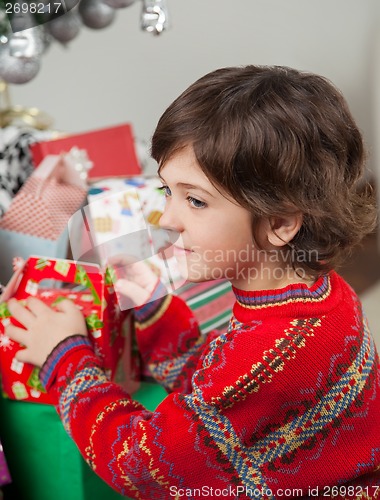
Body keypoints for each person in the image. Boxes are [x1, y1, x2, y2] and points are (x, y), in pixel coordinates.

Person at [5, 65, 380, 499]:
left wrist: (64, 356)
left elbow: (138, 466)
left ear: (279, 223)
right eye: (167, 191)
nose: (167, 219)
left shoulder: (266, 361)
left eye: (196, 200)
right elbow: (218, 395)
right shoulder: (328, 296)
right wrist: (155, 311)